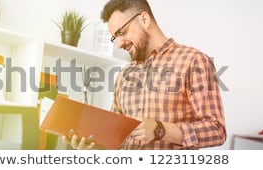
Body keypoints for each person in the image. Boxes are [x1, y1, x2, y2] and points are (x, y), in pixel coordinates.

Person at [63, 0, 226, 150]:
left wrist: (160, 129)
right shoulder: (125, 74)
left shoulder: (193, 61)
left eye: (122, 32)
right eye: (115, 37)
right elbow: (115, 138)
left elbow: (216, 130)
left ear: (144, 20)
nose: (119, 44)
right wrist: (92, 145)